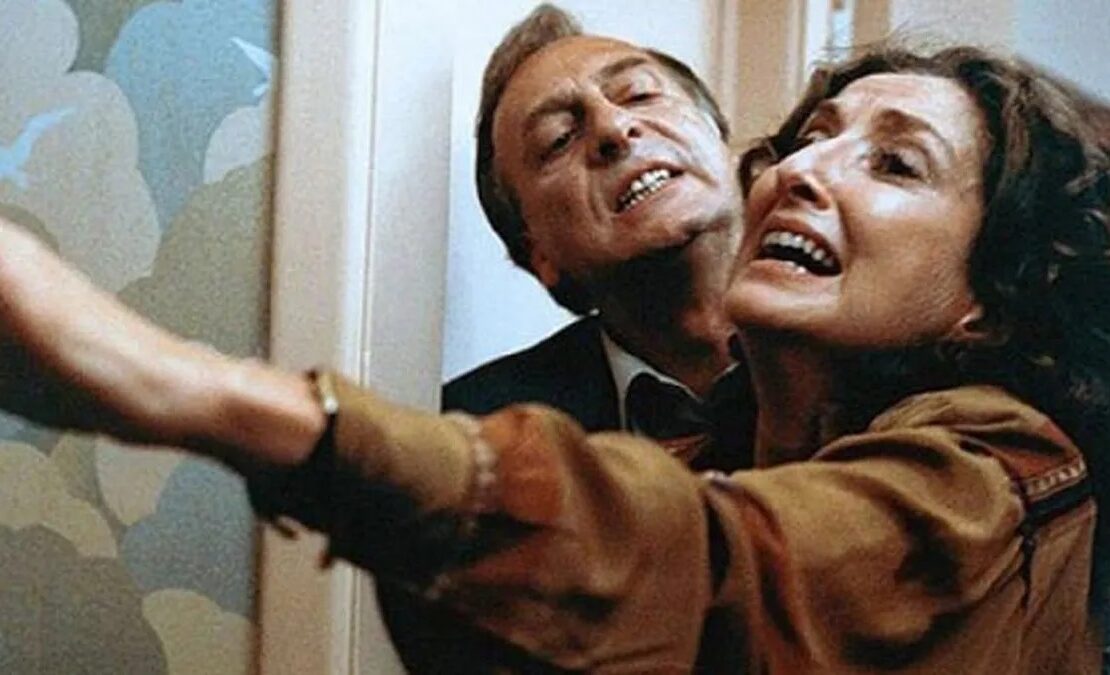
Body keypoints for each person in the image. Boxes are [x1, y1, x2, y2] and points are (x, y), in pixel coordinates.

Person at [0, 42, 1106, 672]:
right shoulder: (666, 441)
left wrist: (185, 388)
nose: (809, 169)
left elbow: (721, 563)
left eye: (897, 164)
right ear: (540, 256)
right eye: (559, 138)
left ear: (992, 298)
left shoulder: (996, 469)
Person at [445, 4, 754, 473]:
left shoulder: (860, 354)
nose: (612, 128)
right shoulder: (475, 433)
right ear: (538, 254)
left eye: (639, 94)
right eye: (559, 139)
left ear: (721, 140)